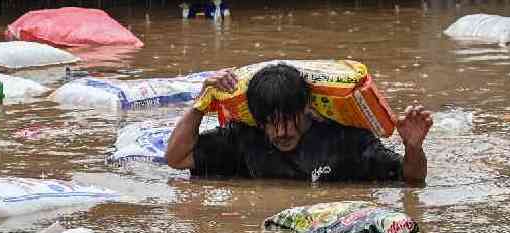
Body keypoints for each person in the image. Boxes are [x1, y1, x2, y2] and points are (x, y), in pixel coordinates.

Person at [165, 63, 433, 184]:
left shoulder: (347, 140)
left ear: (306, 109)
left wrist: (413, 147)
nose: (282, 132)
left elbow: (412, 180)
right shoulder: (243, 138)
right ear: (258, 121)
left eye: (289, 121)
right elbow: (177, 158)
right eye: (271, 123)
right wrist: (201, 103)